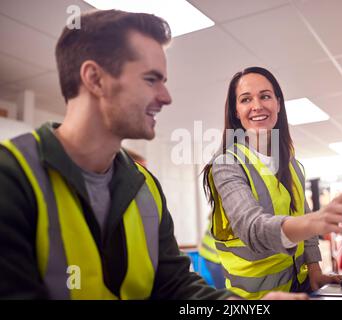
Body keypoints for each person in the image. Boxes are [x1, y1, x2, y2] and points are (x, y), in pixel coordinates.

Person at [0, 10, 308, 300]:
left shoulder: (145, 187)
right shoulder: (12, 177)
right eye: (151, 79)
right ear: (95, 79)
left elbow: (177, 287)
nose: (166, 96)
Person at [203, 66, 342, 299]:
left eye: (265, 96)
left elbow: (303, 214)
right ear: (236, 111)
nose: (257, 106)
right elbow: (253, 228)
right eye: (245, 99)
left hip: (300, 286)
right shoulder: (226, 164)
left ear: (278, 104)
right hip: (255, 298)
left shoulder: (291, 163)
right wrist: (316, 221)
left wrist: (315, 270)